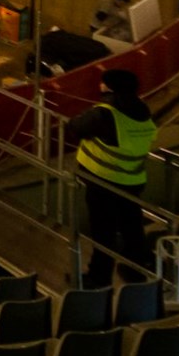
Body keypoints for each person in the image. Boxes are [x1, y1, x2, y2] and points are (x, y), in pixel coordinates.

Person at [67, 68, 157, 287]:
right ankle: (135, 271)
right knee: (132, 226)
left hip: (103, 180)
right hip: (132, 180)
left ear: (110, 87)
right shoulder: (142, 110)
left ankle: (99, 277)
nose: (100, 85)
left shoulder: (105, 112)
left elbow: (75, 127)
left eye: (103, 83)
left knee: (103, 231)